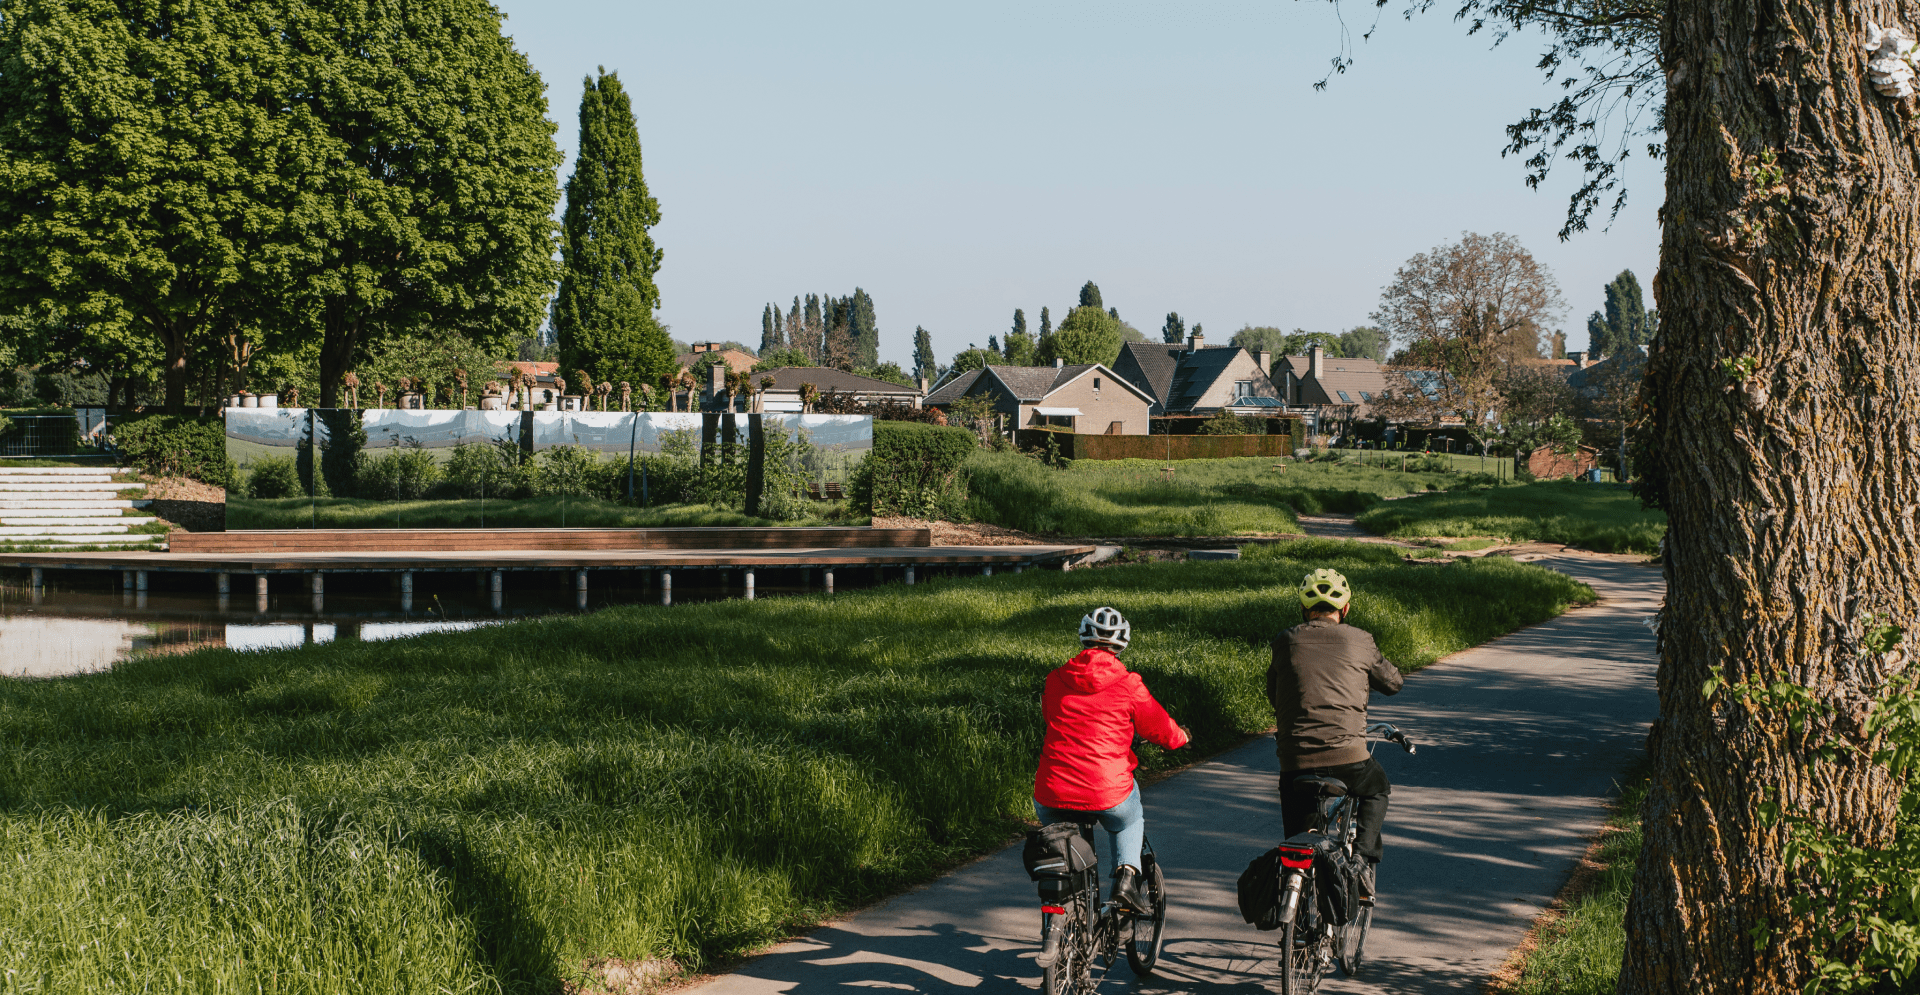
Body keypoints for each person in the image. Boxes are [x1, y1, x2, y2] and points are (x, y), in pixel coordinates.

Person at [1033, 606, 1190, 911]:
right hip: (1107, 791)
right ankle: (1126, 881)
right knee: (1129, 818)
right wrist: (1182, 737)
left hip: (1051, 791)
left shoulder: (1055, 679)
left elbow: (1051, 719)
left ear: (1084, 638)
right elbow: (1161, 729)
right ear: (1121, 644)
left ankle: (1068, 902)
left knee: (1062, 835)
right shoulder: (1129, 684)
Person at [1268, 568, 1403, 898]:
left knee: (1299, 836)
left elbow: (1275, 694)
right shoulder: (1360, 639)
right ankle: (1361, 859)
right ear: (1344, 610)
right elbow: (1394, 683)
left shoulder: (1285, 641)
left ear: (1303, 609)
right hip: (1348, 757)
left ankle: (1295, 893)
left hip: (1294, 758)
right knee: (1377, 787)